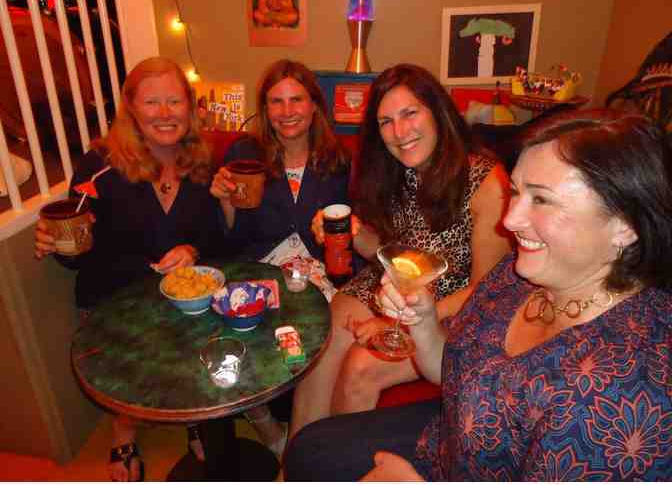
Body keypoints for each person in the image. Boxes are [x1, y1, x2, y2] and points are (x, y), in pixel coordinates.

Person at [284, 108, 672, 481]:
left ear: (625, 225)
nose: (509, 220)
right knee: (308, 448)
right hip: (447, 440)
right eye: (516, 192)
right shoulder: (518, 274)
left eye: (541, 199)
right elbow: (453, 371)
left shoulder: (622, 396)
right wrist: (424, 321)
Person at [289, 63, 511, 437]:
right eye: (386, 122)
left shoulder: (486, 181)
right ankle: (299, 457)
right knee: (325, 336)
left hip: (454, 308)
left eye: (410, 113)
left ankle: (337, 461)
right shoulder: (397, 170)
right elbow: (393, 253)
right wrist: (352, 232)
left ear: (437, 111)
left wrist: (403, 320)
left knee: (360, 366)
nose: (400, 132)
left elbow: (484, 289)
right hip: (399, 286)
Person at [34, 57, 224, 481]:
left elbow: (215, 234)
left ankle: (192, 415)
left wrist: (193, 248)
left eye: (174, 101)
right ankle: (124, 428)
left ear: (190, 106)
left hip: (181, 301)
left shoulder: (203, 160)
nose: (164, 112)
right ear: (131, 108)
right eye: (151, 102)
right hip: (115, 298)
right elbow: (76, 253)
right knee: (135, 360)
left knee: (204, 324)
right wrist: (57, 241)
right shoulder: (98, 164)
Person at [210, 58, 352, 457]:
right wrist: (225, 202)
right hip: (259, 269)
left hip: (316, 274)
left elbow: (347, 229)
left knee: (327, 334)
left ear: (314, 105)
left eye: (296, 100)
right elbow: (231, 238)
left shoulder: (337, 159)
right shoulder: (244, 153)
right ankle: (268, 429)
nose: (287, 111)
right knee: (234, 332)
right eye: (276, 101)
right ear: (265, 108)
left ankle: (314, 432)